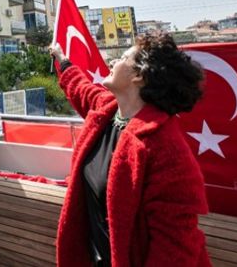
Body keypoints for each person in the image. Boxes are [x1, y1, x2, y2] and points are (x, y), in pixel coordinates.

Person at [49, 32, 210, 267]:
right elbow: (81, 89)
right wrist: (62, 60)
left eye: (123, 57)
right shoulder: (108, 110)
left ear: (138, 76)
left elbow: (175, 247)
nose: (113, 62)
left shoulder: (166, 148)